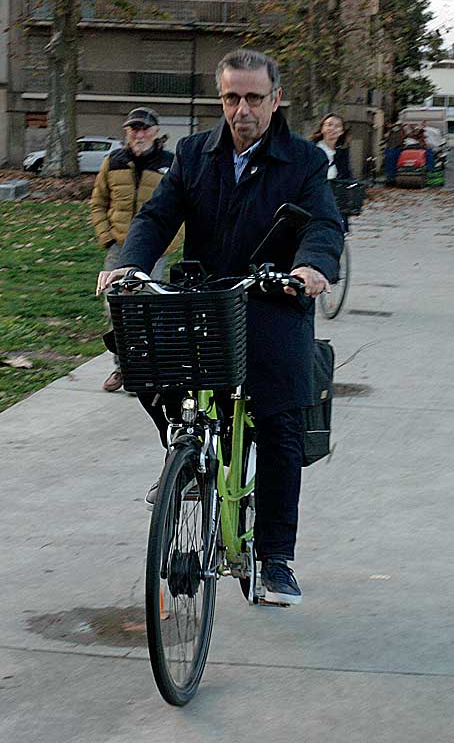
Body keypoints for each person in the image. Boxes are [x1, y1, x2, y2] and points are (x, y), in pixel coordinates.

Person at [96, 49, 343, 606]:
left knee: (279, 423)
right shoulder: (194, 153)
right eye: (232, 98)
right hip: (206, 300)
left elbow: (324, 223)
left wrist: (311, 267)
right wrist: (129, 264)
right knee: (148, 368)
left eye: (254, 98)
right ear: (221, 99)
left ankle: (275, 559)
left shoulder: (303, 160)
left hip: (275, 301)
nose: (242, 110)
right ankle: (187, 460)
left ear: (276, 100)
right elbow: (158, 215)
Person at [90, 106, 181, 392]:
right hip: (119, 247)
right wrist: (106, 237)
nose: (139, 134)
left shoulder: (170, 164)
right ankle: (122, 368)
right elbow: (98, 202)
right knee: (115, 307)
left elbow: (183, 210)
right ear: (126, 132)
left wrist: (166, 245)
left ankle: (145, 369)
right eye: (133, 129)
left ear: (156, 132)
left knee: (148, 309)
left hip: (154, 250)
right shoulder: (113, 162)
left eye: (144, 129)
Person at [310, 113, 352, 181]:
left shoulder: (342, 153)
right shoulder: (310, 149)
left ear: (342, 131)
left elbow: (346, 177)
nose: (332, 128)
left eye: (337, 126)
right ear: (322, 128)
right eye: (329, 125)